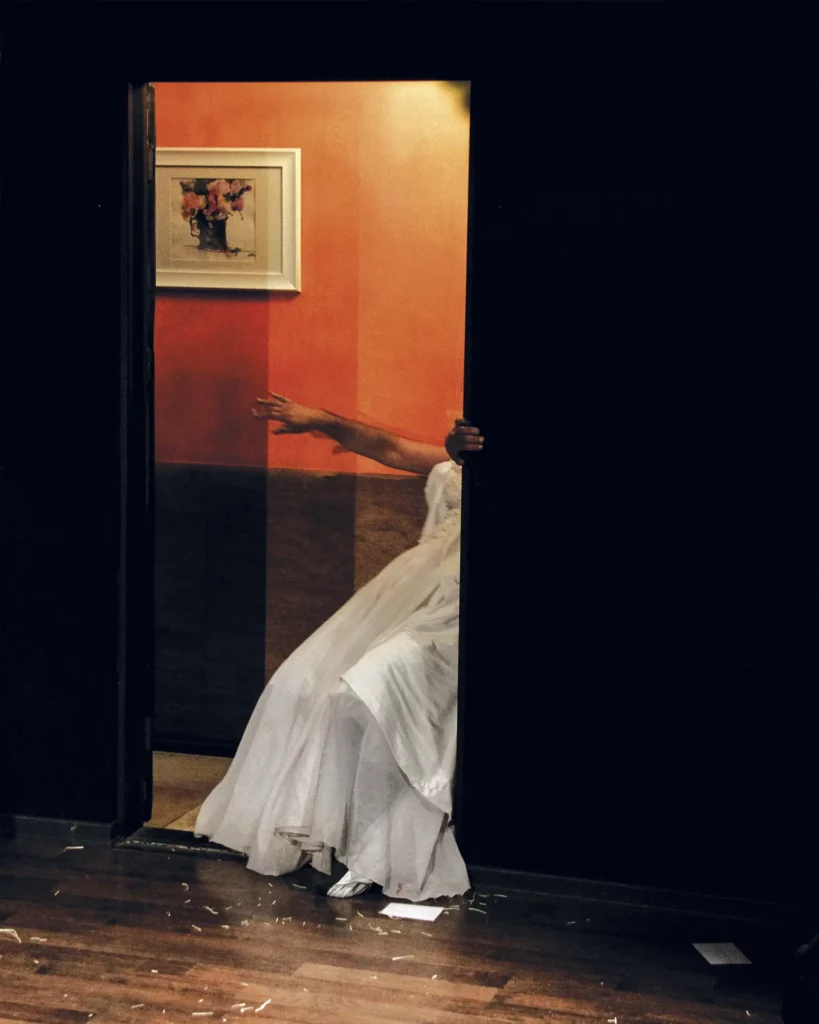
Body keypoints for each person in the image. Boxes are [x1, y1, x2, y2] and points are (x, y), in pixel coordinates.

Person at [193, 392, 484, 902]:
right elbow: (390, 448)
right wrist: (321, 421)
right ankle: (321, 829)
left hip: (458, 602)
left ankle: (381, 849)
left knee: (373, 685)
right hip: (411, 588)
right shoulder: (456, 452)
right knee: (302, 679)